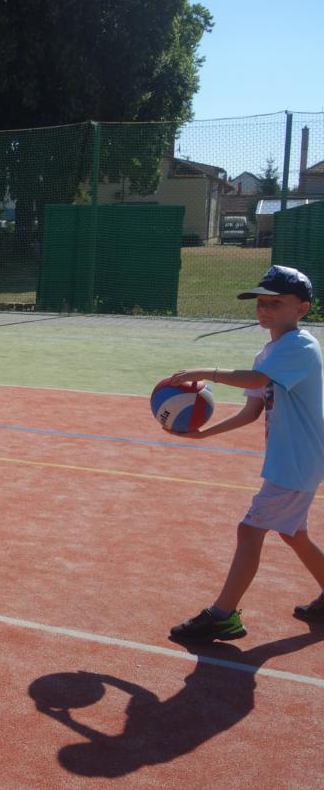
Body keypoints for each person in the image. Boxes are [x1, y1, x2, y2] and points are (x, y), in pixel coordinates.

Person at [167, 266, 324, 642]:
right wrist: (203, 433)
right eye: (261, 303)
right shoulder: (267, 353)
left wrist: (206, 371)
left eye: (276, 303)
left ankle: (222, 616)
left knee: (249, 530)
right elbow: (251, 412)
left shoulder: (300, 346)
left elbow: (256, 381)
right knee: (293, 534)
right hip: (293, 460)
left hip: (297, 461)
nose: (265, 309)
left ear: (301, 309)